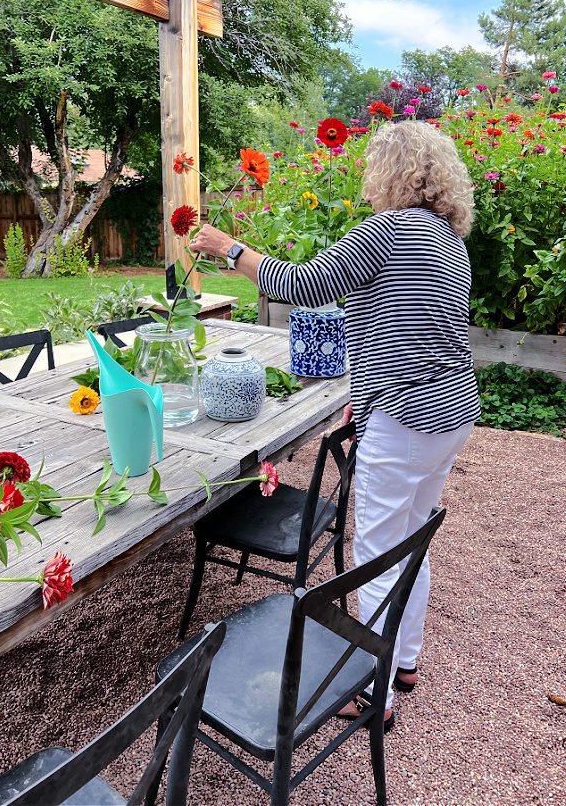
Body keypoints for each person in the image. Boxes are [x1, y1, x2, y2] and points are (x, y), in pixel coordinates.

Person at [190, 120, 480, 729]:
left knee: (375, 549)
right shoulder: (448, 240)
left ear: (392, 171)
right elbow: (417, 332)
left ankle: (377, 693)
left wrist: (229, 249)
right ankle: (403, 661)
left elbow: (295, 284)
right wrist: (365, 390)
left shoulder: (391, 228)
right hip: (448, 417)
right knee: (410, 540)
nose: (368, 183)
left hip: (405, 423)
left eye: (374, 169)